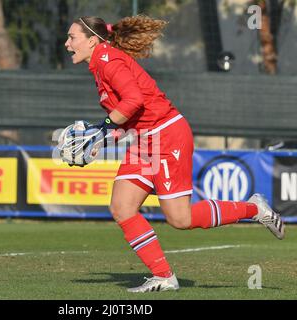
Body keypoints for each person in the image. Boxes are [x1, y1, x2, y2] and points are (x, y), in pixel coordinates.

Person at [63, 15, 285, 293]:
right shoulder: (100, 64)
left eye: (72, 37)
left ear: (92, 40)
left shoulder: (109, 62)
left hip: (167, 136)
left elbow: (134, 101)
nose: (67, 43)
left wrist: (102, 127)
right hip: (146, 142)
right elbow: (132, 116)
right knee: (122, 208)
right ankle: (164, 276)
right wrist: (103, 137)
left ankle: (254, 208)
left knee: (181, 219)